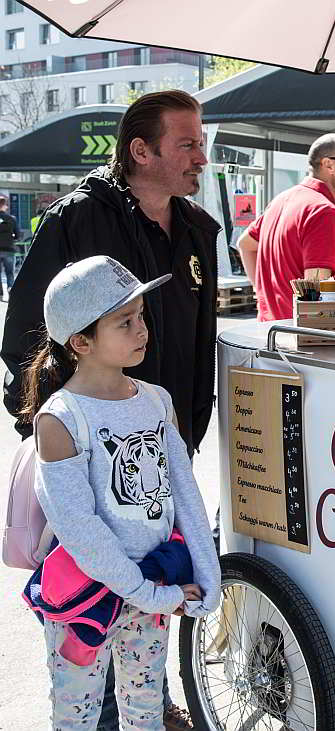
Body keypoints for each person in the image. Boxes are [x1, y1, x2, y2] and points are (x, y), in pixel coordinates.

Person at [1, 89, 220, 731]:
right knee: (88, 624)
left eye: (201, 143)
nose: (200, 157)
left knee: (141, 636)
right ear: (141, 151)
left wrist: (182, 427)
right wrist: (58, 436)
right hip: (88, 462)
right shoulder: (79, 219)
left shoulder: (199, 231)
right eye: (187, 143)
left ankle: (144, 709)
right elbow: (23, 338)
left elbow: (200, 335)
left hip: (160, 444)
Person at [22, 256, 221, 730]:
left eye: (141, 316)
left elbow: (184, 496)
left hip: (154, 589)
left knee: (146, 709)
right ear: (80, 341)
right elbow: (78, 527)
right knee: (77, 714)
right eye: (123, 321)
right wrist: (145, 592)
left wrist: (206, 577)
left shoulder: (155, 400)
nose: (141, 329)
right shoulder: (60, 419)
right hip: (86, 596)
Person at [238, 133, 335, 321]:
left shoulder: (282, 199)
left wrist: (263, 294)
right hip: (299, 339)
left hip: (269, 330)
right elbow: (316, 299)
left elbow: (245, 244)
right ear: (328, 164)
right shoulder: (323, 211)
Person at [0, 194, 19, 300]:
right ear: (4, 206)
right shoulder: (11, 219)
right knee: (9, 273)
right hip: (9, 249)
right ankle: (10, 289)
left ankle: (0, 294)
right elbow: (17, 234)